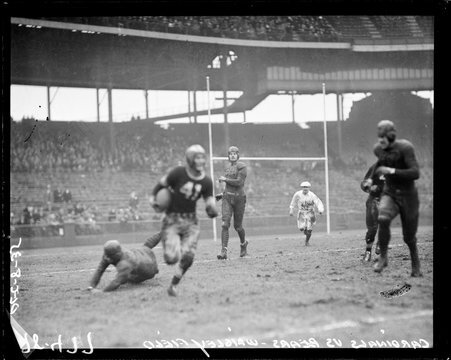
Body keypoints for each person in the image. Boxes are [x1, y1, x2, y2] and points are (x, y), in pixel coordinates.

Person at [150, 144, 218, 296]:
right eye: (197, 158)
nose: (201, 161)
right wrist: (153, 198)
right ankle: (171, 243)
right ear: (190, 160)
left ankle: (173, 285)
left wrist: (212, 209)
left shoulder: (207, 181)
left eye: (202, 158)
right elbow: (161, 185)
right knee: (171, 259)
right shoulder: (178, 172)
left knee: (188, 257)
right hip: (172, 219)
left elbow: (209, 201)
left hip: (191, 221)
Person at [372, 120, 422, 277]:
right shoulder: (378, 149)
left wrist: (392, 171)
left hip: (408, 196)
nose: (381, 143)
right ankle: (383, 257)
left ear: (392, 137)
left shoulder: (405, 148)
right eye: (379, 139)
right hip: (390, 192)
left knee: (409, 237)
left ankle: (416, 265)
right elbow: (380, 164)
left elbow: (415, 173)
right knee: (383, 218)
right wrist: (371, 180)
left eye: (384, 139)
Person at [87, 239, 159, 292]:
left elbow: (117, 282)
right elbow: (100, 269)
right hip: (138, 255)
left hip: (148, 270)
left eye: (109, 256)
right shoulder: (109, 254)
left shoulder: (125, 262)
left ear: (117, 255)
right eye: (106, 255)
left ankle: (155, 269)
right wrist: (91, 286)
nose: (106, 259)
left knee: (128, 279)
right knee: (146, 246)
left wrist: (102, 291)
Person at [216, 146, 249, 260]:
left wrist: (225, 179)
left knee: (238, 227)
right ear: (228, 156)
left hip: (239, 199)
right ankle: (223, 251)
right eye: (231, 153)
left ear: (238, 155)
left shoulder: (242, 166)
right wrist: (222, 194)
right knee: (225, 224)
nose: (233, 155)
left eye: (235, 153)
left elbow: (239, 182)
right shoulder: (228, 168)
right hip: (227, 199)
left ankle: (243, 244)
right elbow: (229, 186)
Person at [360, 162, 385, 262]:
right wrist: (369, 187)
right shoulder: (375, 168)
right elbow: (364, 183)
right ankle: (368, 252)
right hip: (374, 200)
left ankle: (380, 243)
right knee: (372, 229)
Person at [289, 181, 324, 246]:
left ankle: (307, 241)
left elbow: (318, 202)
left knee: (309, 229)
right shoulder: (297, 194)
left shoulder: (312, 195)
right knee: (301, 228)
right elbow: (293, 201)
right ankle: (305, 229)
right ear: (302, 188)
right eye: (304, 187)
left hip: (310, 213)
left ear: (309, 188)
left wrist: (320, 210)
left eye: (307, 187)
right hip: (301, 212)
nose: (305, 188)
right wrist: (291, 209)